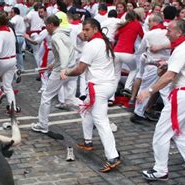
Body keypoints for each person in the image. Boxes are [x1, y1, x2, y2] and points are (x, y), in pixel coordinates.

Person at [137, 19, 185, 185]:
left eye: (169, 30)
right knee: (184, 136)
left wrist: (148, 91)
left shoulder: (181, 48)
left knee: (162, 133)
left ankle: (160, 170)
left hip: (183, 95)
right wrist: (168, 64)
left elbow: (170, 76)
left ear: (179, 33)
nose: (166, 32)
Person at [62, 18, 121, 173]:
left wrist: (66, 72)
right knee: (84, 109)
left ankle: (113, 156)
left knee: (101, 121)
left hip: (98, 87)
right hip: (105, 85)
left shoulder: (93, 44)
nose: (84, 32)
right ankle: (88, 141)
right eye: (83, 29)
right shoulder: (103, 41)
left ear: (95, 29)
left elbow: (80, 69)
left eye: (87, 29)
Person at [30, 15, 75, 134]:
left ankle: (42, 125)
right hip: (71, 67)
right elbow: (67, 51)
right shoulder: (64, 34)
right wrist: (54, 63)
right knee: (71, 99)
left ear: (50, 25)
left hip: (62, 70)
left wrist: (62, 69)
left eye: (46, 26)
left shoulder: (55, 37)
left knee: (46, 96)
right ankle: (92, 111)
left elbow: (64, 53)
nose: (45, 28)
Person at [9, 7, 27, 82]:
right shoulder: (21, 18)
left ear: (15, 12)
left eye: (12, 12)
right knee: (19, 52)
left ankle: (15, 68)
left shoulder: (15, 18)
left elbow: (12, 23)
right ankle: (21, 68)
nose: (11, 14)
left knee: (14, 53)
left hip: (16, 37)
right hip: (22, 37)